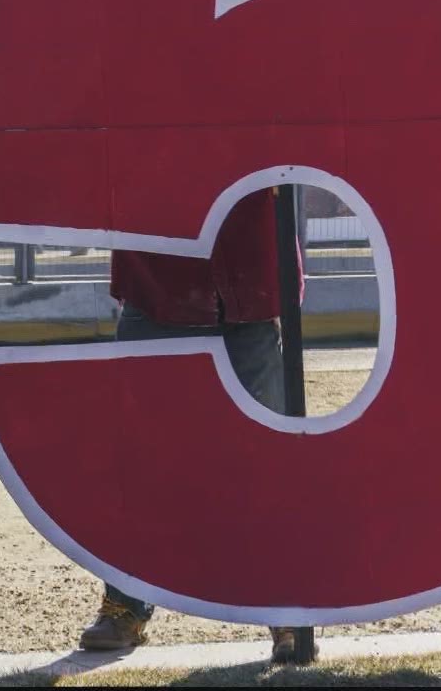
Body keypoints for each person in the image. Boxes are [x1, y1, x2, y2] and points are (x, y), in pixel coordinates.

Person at [76, 194, 305, 662]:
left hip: (249, 282)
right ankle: (125, 604)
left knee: (271, 464)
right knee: (138, 464)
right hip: (158, 281)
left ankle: (288, 605)